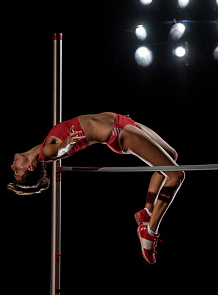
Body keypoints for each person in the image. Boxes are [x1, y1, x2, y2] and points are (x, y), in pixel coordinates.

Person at [9, 112, 185, 265]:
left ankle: (146, 213)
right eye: (17, 171)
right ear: (30, 168)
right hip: (119, 132)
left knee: (172, 156)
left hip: (121, 120)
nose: (13, 167)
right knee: (177, 175)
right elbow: (59, 150)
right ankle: (150, 232)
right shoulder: (46, 153)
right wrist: (67, 143)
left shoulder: (43, 144)